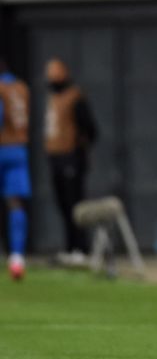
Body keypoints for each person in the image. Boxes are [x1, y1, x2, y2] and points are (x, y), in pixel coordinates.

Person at [45, 58, 98, 264]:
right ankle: (70, 247)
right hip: (56, 158)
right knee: (63, 205)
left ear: (65, 73)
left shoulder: (75, 97)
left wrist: (78, 150)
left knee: (75, 204)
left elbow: (91, 129)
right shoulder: (53, 97)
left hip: (71, 158)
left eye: (55, 72)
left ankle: (81, 248)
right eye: (49, 72)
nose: (51, 76)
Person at [0, 59, 30, 280]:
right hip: (19, 150)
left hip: (2, 148)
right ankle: (17, 257)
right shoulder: (21, 88)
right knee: (15, 203)